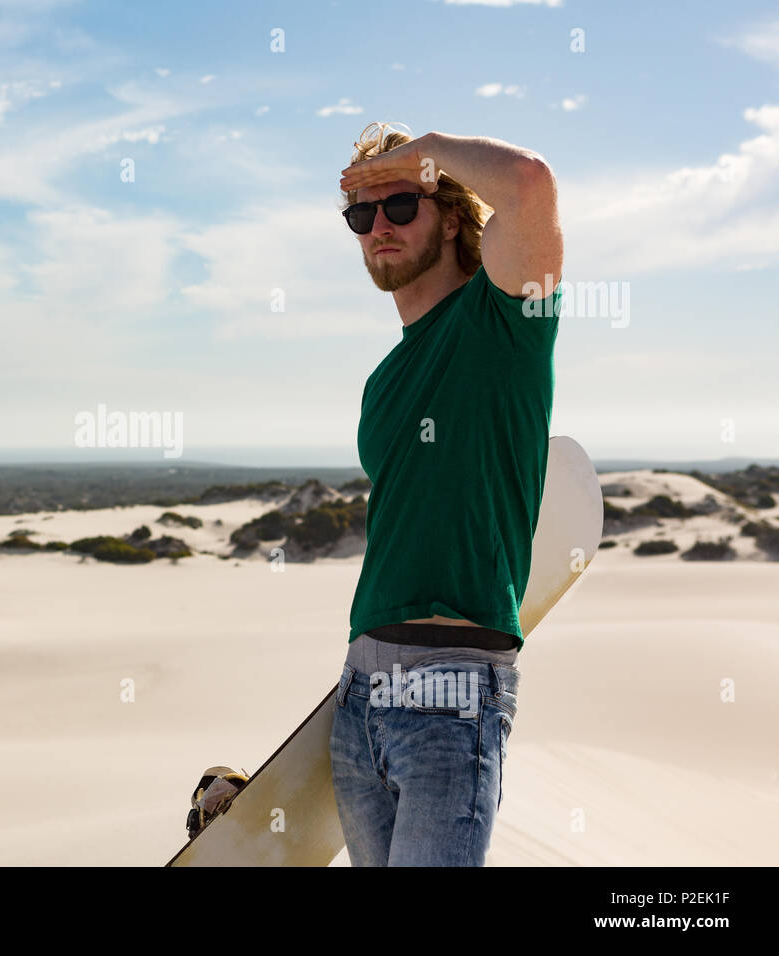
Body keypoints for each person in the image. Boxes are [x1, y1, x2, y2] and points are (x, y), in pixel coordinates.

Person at [329, 121, 564, 866]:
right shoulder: (381, 382)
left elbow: (529, 185)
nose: (379, 227)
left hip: (452, 689)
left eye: (401, 205)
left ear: (453, 217)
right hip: (358, 691)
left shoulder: (503, 325)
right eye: (362, 215)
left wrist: (414, 150)